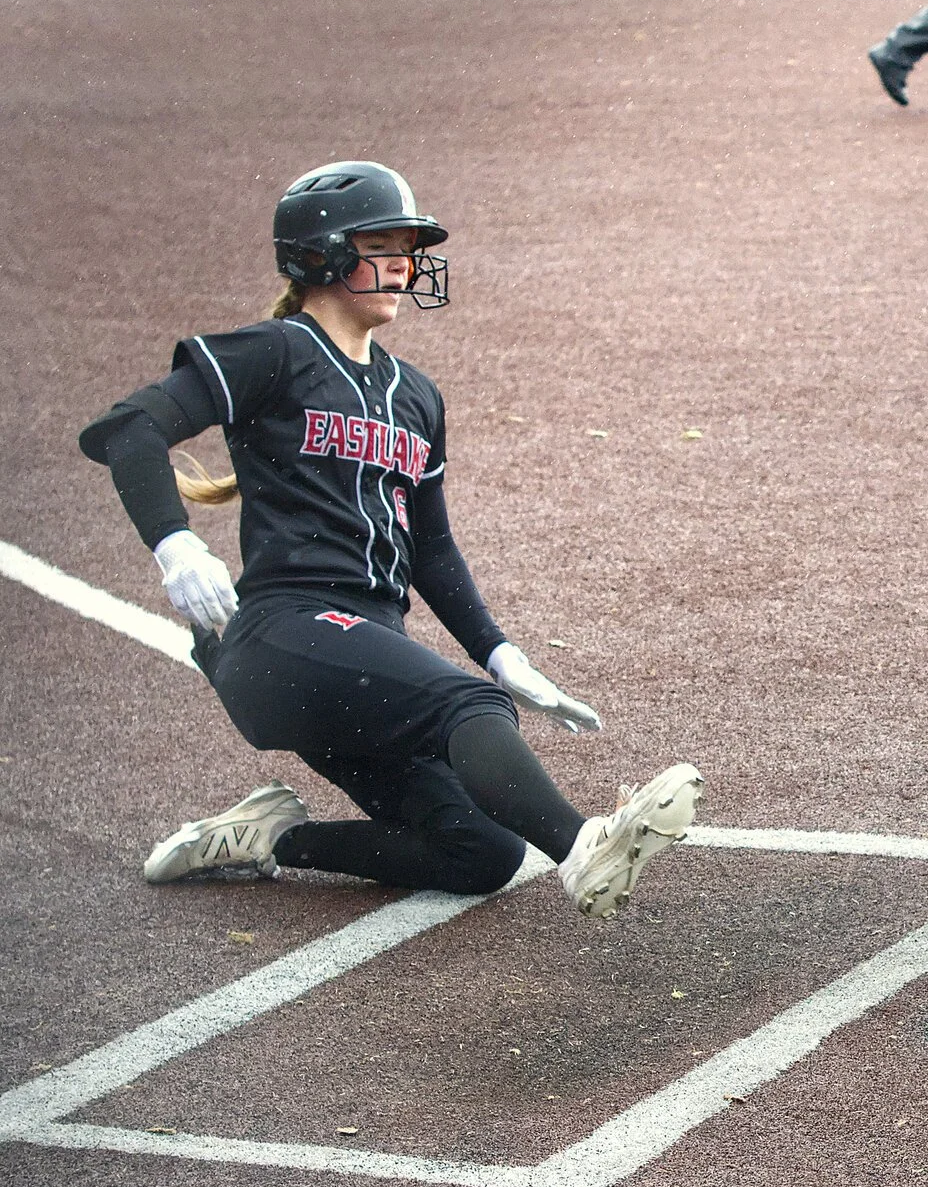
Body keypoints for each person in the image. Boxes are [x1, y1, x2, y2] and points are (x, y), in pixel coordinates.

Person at [79, 161, 702, 916]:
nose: (406, 265)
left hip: (357, 652)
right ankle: (583, 850)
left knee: (482, 850)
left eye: (411, 248)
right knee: (464, 706)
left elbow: (432, 550)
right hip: (279, 634)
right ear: (322, 255)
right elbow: (129, 428)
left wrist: (503, 653)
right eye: (384, 245)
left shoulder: (416, 395)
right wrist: (174, 544)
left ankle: (268, 839)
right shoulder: (276, 351)